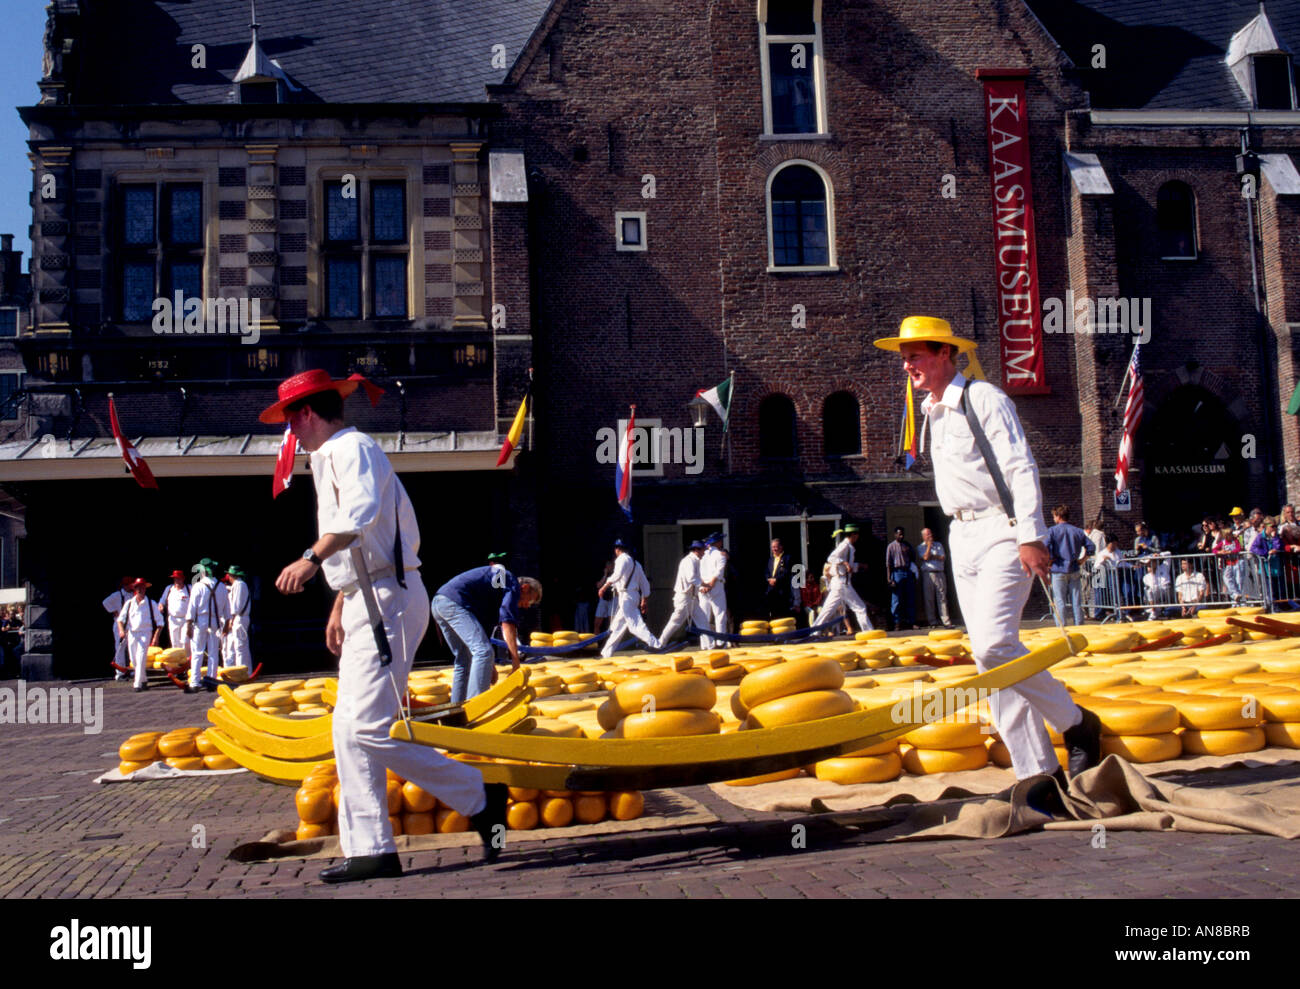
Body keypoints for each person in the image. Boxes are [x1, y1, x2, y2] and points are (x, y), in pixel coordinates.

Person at [266, 368, 508, 883]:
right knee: (346, 729)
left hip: (387, 600)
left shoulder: (350, 449)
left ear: (305, 413)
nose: (289, 430)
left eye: (289, 419)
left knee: (368, 729)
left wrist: (309, 559)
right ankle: (372, 847)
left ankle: (479, 794)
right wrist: (339, 603)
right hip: (367, 597)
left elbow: (359, 514)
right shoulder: (331, 455)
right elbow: (363, 541)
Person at [874, 315, 1100, 785]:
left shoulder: (984, 398)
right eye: (903, 357)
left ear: (945, 355)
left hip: (1002, 528)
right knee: (986, 658)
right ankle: (1038, 774)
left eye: (915, 355)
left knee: (997, 644)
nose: (907, 366)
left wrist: (1031, 535)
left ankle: (1076, 722)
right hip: (962, 535)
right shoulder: (932, 412)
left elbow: (1020, 466)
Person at [433, 564, 542, 703]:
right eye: (530, 600)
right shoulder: (511, 583)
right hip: (455, 602)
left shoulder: (495, 593)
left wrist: (490, 666)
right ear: (525, 588)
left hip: (439, 602)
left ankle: (456, 709)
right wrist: (516, 662)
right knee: (483, 652)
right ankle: (475, 705)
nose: (527, 606)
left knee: (464, 659)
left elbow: (482, 631)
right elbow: (508, 624)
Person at [598, 539, 660, 656]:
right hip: (632, 596)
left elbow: (617, 575)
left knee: (635, 625)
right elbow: (645, 584)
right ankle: (606, 653)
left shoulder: (621, 560)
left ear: (617, 549)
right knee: (617, 627)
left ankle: (655, 644)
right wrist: (644, 600)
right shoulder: (636, 564)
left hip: (626, 596)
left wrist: (604, 586)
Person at [1045, 505, 1093, 626]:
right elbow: (1091, 547)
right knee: (1076, 599)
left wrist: (1049, 561)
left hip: (1058, 568)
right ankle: (1079, 625)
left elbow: (1045, 547)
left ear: (1058, 516)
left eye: (1054, 516)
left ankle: (1061, 626)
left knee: (1059, 600)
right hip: (1074, 567)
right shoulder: (1077, 531)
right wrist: (1082, 559)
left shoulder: (1052, 531)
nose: (1053, 518)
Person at [820, 525, 873, 633]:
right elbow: (831, 558)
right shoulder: (844, 546)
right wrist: (845, 563)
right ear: (853, 535)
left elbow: (849, 566)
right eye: (857, 535)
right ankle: (868, 631)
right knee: (860, 607)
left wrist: (860, 566)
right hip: (842, 582)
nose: (857, 537)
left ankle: (815, 631)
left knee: (827, 610)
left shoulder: (849, 547)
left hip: (838, 583)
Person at [659, 540, 709, 647]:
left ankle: (709, 645)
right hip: (684, 597)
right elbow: (691, 578)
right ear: (697, 550)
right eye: (703, 550)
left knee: (703, 621)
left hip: (691, 598)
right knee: (675, 622)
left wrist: (701, 586)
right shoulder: (689, 561)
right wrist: (703, 584)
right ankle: (660, 643)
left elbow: (694, 579)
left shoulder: (695, 561)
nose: (704, 553)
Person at [184, 559, 223, 692]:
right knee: (213, 653)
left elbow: (192, 607)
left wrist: (188, 624)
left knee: (197, 652)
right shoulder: (222, 586)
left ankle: (194, 682)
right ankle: (211, 681)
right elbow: (227, 609)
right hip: (215, 622)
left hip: (201, 621)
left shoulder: (198, 586)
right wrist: (227, 623)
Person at [117, 577, 162, 691]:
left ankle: (137, 684)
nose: (140, 590)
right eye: (138, 587)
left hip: (145, 633)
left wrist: (156, 636)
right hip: (132, 634)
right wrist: (122, 631)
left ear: (145, 589)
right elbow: (120, 620)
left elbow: (160, 623)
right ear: (135, 589)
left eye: (142, 587)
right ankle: (144, 679)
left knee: (141, 657)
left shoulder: (151, 603)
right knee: (134, 660)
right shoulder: (129, 603)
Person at [698, 532, 729, 648]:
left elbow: (698, 572)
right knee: (720, 615)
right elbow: (718, 572)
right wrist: (710, 585)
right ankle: (721, 642)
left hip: (702, 588)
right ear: (718, 542)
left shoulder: (702, 555)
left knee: (704, 617)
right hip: (716, 587)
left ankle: (706, 644)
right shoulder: (721, 555)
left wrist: (703, 585)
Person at [918, 527, 952, 627]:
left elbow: (942, 557)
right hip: (928, 574)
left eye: (930, 534)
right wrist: (928, 546)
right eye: (928, 535)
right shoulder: (920, 547)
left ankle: (946, 621)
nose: (930, 536)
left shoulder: (939, 545)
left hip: (939, 573)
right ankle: (932, 621)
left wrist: (932, 556)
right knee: (929, 598)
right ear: (923, 536)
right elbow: (925, 557)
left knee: (942, 597)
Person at [885, 527, 916, 630]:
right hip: (897, 572)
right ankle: (896, 622)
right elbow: (888, 564)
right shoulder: (891, 546)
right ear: (895, 535)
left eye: (902, 534)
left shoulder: (907, 545)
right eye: (899, 534)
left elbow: (913, 558)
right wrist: (889, 579)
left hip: (907, 571)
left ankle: (911, 622)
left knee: (910, 597)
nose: (901, 536)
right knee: (896, 599)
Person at [103, 577, 133, 680]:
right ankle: (120, 672)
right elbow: (105, 602)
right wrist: (114, 611)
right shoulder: (117, 595)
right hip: (120, 624)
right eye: (129, 584)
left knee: (132, 647)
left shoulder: (133, 594)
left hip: (131, 623)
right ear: (125, 585)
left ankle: (132, 669)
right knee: (120, 647)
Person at [224, 565, 253, 671]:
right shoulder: (238, 585)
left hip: (239, 618)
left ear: (232, 575)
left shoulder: (239, 585)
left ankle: (244, 671)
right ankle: (236, 670)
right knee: (234, 646)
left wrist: (231, 619)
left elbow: (236, 605)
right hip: (238, 617)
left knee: (240, 646)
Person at [157, 570, 190, 654]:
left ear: (183, 579)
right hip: (172, 620)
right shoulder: (169, 589)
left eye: (179, 579)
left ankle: (186, 663)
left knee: (185, 642)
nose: (177, 581)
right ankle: (178, 664)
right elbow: (162, 600)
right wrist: (160, 605)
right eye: (175, 579)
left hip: (185, 620)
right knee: (175, 643)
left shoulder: (189, 588)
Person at [763, 538, 794, 622]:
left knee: (782, 616)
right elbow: (766, 572)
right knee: (773, 615)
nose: (774, 549)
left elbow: (787, 572)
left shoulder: (787, 558)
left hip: (782, 592)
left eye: (776, 547)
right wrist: (769, 579)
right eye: (773, 547)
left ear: (781, 547)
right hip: (771, 592)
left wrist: (776, 580)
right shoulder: (770, 559)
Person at [1213, 523, 1244, 605]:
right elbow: (1214, 550)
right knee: (1227, 580)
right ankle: (1235, 595)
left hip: (1237, 562)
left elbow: (1238, 548)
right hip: (1228, 564)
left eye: (1231, 534)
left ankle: (1240, 601)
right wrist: (1220, 552)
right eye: (1229, 534)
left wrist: (1231, 551)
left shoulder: (1235, 541)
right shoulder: (1222, 543)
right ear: (1225, 536)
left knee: (1239, 581)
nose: (1231, 536)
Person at [593, 560, 615, 635]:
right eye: (608, 566)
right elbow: (598, 586)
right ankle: (595, 642)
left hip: (613, 598)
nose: (609, 567)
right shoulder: (603, 574)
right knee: (597, 623)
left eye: (611, 565)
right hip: (603, 599)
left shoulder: (616, 574)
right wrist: (605, 575)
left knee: (612, 622)